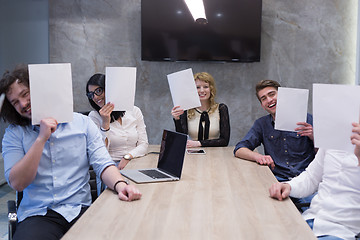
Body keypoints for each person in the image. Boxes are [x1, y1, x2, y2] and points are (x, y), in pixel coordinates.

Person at [0, 65, 142, 240]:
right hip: (38, 215)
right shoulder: (14, 134)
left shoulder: (83, 124)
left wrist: (121, 185)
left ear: (40, 89)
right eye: (15, 102)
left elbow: (103, 164)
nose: (22, 104)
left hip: (80, 210)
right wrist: (40, 139)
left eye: (25, 94)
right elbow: (18, 183)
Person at [269, 122, 360, 240]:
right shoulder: (333, 140)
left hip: (342, 232)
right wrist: (289, 186)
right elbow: (311, 177)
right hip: (309, 220)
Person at [234, 79, 316, 181]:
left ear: (282, 96)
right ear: (262, 106)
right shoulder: (262, 124)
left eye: (272, 94)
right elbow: (239, 149)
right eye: (263, 98)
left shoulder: (307, 120)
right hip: (277, 180)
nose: (269, 100)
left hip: (307, 180)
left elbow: (325, 155)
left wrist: (314, 138)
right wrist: (258, 157)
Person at [86, 73, 148, 170]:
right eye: (91, 94)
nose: (95, 97)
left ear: (109, 89)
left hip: (135, 162)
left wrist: (127, 157)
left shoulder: (134, 110)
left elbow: (144, 145)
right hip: (109, 168)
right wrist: (105, 124)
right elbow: (100, 153)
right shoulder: (93, 117)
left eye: (98, 91)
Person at [171, 72, 230, 148]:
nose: (202, 90)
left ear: (211, 89)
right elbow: (182, 140)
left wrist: (199, 143)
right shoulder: (186, 110)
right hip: (192, 154)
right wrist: (177, 119)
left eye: (206, 87)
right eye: (197, 87)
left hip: (216, 154)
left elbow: (224, 141)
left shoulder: (221, 109)